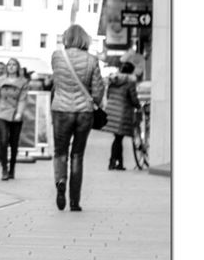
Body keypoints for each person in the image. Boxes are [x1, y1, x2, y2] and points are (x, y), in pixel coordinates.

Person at [50, 24, 104, 212]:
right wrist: (92, 99)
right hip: (84, 112)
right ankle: (74, 201)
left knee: (60, 152)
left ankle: (60, 181)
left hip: (61, 109)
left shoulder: (57, 57)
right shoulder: (92, 60)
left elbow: (56, 81)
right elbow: (97, 92)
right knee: (77, 155)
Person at [0, 57, 29, 181]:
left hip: (15, 114)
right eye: (9, 64)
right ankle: (4, 168)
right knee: (3, 140)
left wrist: (19, 113)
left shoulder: (23, 81)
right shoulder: (0, 80)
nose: (11, 66)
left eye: (14, 64)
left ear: (18, 67)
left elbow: (23, 99)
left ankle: (12, 167)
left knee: (14, 143)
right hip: (1, 113)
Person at [101, 61, 140, 170]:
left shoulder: (113, 80)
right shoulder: (130, 82)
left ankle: (118, 163)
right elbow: (133, 98)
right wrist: (138, 106)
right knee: (118, 139)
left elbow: (108, 95)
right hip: (123, 112)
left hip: (112, 112)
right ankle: (114, 162)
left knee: (118, 138)